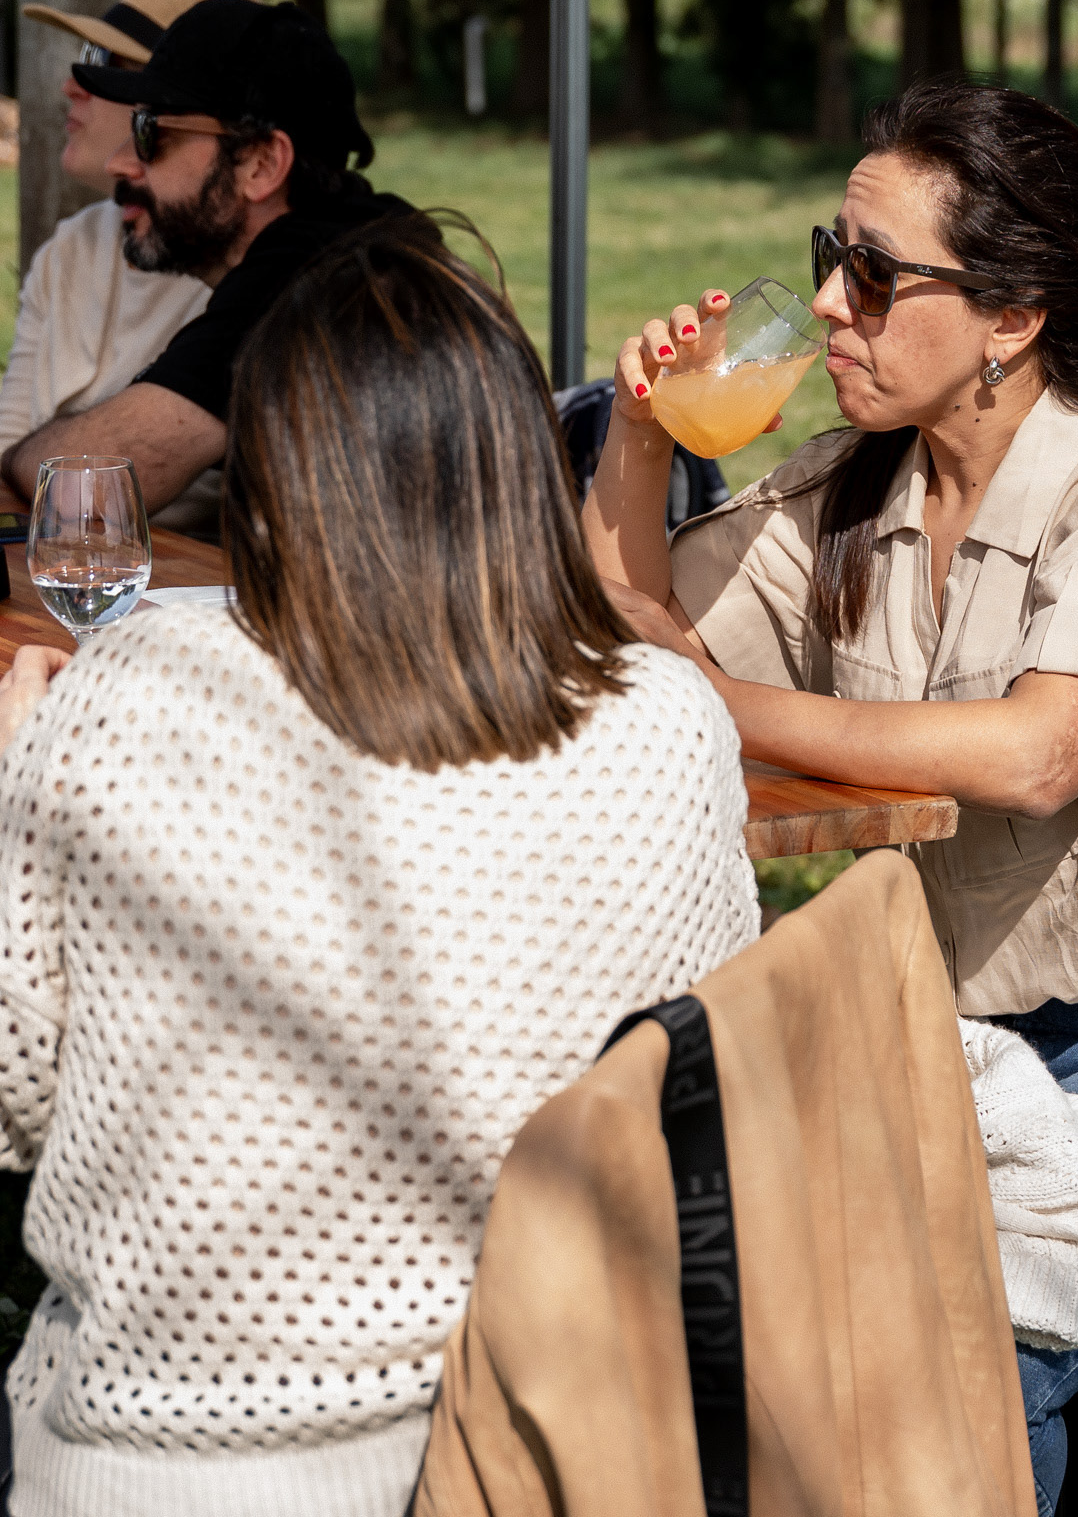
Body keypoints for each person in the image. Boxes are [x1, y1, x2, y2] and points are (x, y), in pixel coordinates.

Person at [581, 79, 1078, 1517]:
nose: (828, 301)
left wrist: (726, 706)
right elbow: (637, 651)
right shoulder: (849, 494)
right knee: (707, 1279)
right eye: (832, 252)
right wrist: (640, 435)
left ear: (1010, 317)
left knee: (964, 1336)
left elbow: (1038, 750)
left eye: (875, 275)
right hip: (965, 1056)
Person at [0, 219, 758, 1516]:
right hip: (542, 1440)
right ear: (519, 457)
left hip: (162, 1461)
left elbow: (15, 1094)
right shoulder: (670, 722)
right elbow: (703, 1083)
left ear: (279, 472)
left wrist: (30, 770)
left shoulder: (125, 695)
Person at [1, 0, 415, 526]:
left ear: (261, 165)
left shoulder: (310, 282)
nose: (120, 161)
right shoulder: (352, 245)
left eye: (152, 134)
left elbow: (89, 491)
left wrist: (14, 457)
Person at [1, 0, 260, 534]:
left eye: (102, 63)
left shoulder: (248, 268)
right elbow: (7, 455)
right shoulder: (75, 245)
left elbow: (78, 487)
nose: (72, 84)